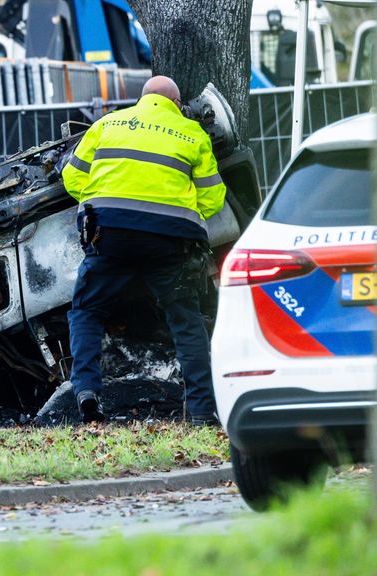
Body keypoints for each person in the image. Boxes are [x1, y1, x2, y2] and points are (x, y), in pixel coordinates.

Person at [61, 75, 227, 425]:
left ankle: (87, 391)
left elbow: (72, 178)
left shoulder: (107, 124)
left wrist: (108, 201)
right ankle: (199, 411)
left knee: (87, 310)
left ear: (143, 98)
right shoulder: (192, 133)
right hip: (169, 240)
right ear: (177, 104)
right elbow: (213, 199)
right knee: (185, 319)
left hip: (110, 233)